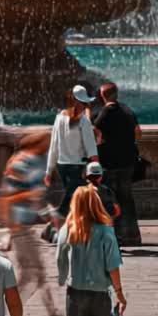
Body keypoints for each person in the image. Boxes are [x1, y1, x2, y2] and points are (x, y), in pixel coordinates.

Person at [56, 185, 127, 316]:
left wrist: (63, 277)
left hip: (75, 292)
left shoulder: (68, 229)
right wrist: (120, 294)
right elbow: (113, 265)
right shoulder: (106, 231)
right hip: (100, 294)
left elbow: (60, 256)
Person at [1, 132, 65, 316]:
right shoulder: (21, 164)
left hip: (24, 226)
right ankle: (6, 311)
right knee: (32, 273)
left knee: (34, 273)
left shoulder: (32, 161)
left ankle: (51, 312)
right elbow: (9, 197)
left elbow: (36, 197)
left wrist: (47, 212)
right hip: (20, 227)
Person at [92, 82, 142, 245]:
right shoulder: (127, 110)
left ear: (102, 95)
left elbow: (95, 132)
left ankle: (116, 235)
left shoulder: (105, 112)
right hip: (128, 162)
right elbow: (138, 132)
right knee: (127, 198)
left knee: (111, 199)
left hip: (110, 162)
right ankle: (133, 235)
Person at [45, 84, 98, 221]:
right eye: (84, 102)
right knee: (73, 199)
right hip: (78, 166)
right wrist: (97, 167)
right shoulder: (83, 121)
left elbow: (54, 145)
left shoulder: (59, 118)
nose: (85, 105)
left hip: (62, 165)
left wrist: (49, 171)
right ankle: (54, 223)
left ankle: (68, 227)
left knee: (74, 199)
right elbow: (91, 148)